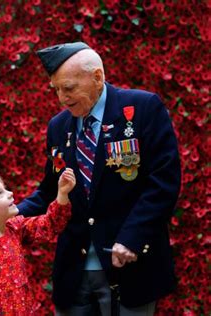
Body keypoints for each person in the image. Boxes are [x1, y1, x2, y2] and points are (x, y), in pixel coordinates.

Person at [17, 42, 181, 315]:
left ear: (97, 77)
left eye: (68, 88)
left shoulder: (142, 109)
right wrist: (8, 218)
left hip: (130, 266)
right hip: (74, 272)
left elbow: (163, 182)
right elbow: (49, 190)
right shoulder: (58, 126)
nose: (61, 98)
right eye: (56, 89)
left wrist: (132, 237)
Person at [0, 168, 76, 315]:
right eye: (0, 193)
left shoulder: (14, 227)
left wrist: (62, 194)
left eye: (5, 189)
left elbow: (49, 224)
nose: (10, 193)